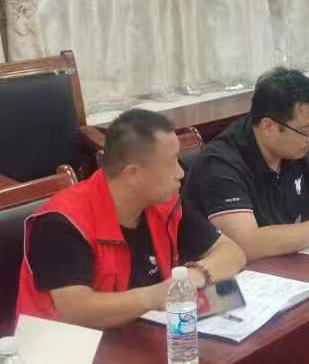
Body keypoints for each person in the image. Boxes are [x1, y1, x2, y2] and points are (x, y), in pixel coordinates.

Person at [16, 109, 246, 329]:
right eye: (171, 162)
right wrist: (154, 297)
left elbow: (232, 253)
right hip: (67, 347)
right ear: (133, 174)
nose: (181, 172)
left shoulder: (165, 203)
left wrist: (193, 277)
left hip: (139, 335)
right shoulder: (62, 221)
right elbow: (75, 310)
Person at [183, 67, 309, 262]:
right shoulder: (220, 164)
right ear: (268, 127)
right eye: (306, 130)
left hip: (288, 265)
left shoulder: (298, 144)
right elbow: (246, 245)